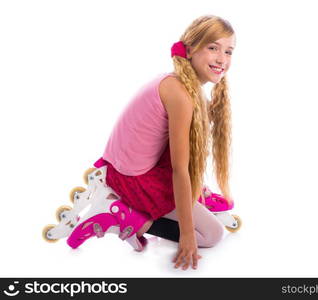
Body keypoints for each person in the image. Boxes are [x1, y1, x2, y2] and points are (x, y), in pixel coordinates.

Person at [94, 15, 236, 271]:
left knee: (197, 204)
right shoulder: (180, 94)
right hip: (131, 177)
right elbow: (180, 168)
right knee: (212, 234)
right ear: (190, 49)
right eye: (212, 47)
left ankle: (193, 198)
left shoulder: (180, 84)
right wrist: (187, 234)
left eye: (228, 51)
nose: (222, 59)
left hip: (134, 164)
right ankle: (123, 216)